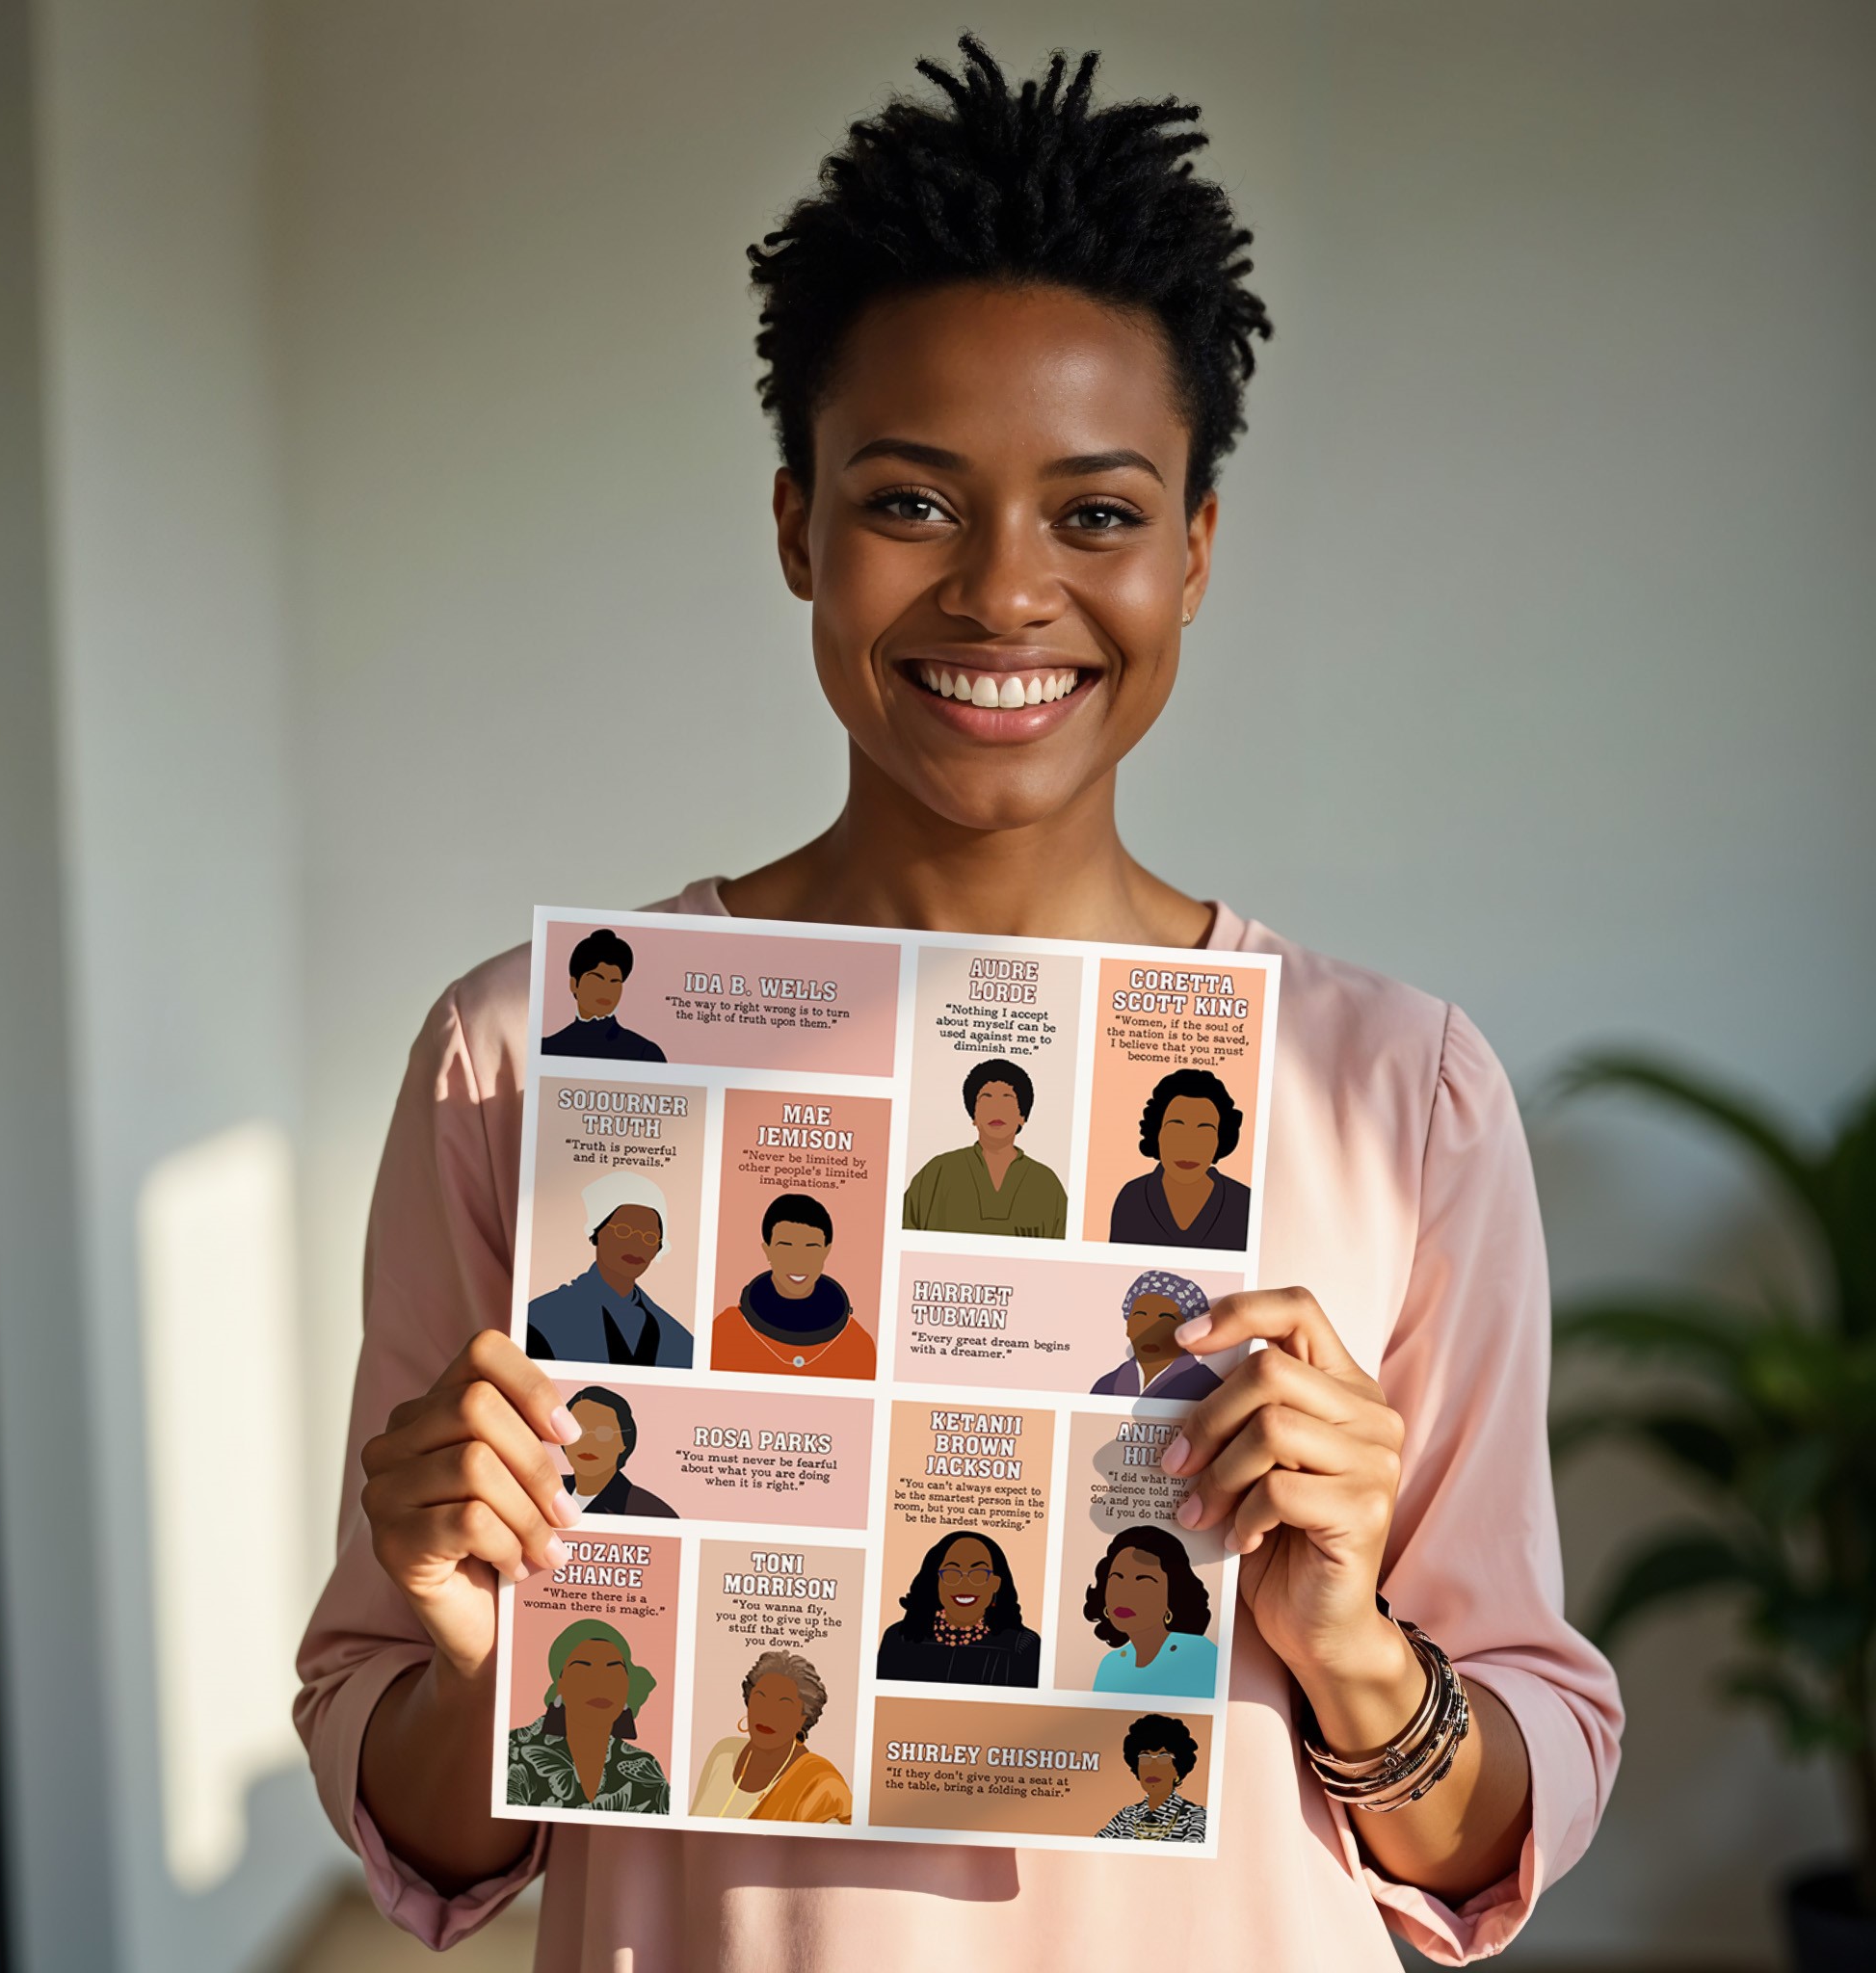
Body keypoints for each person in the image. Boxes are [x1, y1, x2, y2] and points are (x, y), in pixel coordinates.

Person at [298, 34, 1622, 1971]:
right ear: (794, 527)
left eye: (1095, 513)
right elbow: (418, 1811)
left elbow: (1504, 1808)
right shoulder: (526, 1065)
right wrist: (483, 1656)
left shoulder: (1390, 1091)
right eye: (912, 501)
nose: (1004, 593)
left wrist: (1349, 1645)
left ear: (1193, 550)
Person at [524, 1173, 693, 1368]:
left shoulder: (678, 1339)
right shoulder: (542, 1318)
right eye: (623, 1231)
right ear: (597, 1234)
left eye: (649, 1238)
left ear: (657, 1249)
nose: (636, 1245)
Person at [503, 1619, 670, 1814]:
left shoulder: (645, 1769)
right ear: (560, 1683)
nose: (600, 1683)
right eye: (583, 1668)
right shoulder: (511, 1749)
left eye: (613, 1670)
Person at [710, 1192, 876, 1378]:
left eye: (811, 1248)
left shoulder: (857, 1344)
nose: (798, 1261)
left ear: (826, 1251)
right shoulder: (725, 1332)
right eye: (786, 1247)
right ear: (767, 1251)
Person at [902, 1057, 1068, 1237]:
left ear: (1022, 1116)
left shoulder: (1046, 1183)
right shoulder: (937, 1173)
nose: (996, 1108)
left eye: (1007, 1099)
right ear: (973, 1115)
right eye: (986, 1098)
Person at [688, 1651, 853, 1824]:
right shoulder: (724, 1753)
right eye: (760, 1698)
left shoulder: (822, 1786)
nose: (767, 1713)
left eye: (784, 1705)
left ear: (804, 1717)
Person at [875, 1529, 1041, 1688]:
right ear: (936, 1581)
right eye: (952, 1573)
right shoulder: (899, 1638)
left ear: (995, 1583)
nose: (964, 1584)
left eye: (978, 1574)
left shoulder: (1021, 1646)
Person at [1107, 1068, 1251, 1250]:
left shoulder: (1244, 1203)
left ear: (1220, 1140)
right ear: (1157, 1133)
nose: (1188, 1146)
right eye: (1176, 1129)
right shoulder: (1132, 1198)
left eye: (1204, 1132)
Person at [1083, 1526, 1219, 1699]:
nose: (1125, 1593)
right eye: (1117, 1578)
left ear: (1172, 1594)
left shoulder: (1201, 1656)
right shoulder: (1110, 1666)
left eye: (1143, 1581)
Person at [1088, 1270, 1224, 1401]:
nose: (1150, 1331)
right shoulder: (1105, 1386)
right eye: (1140, 1317)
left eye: (1165, 1320)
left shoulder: (1208, 1385)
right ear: (1128, 1327)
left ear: (1187, 1329)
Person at [540, 929, 667, 1062]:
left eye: (614, 981)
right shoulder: (548, 1048)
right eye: (597, 979)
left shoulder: (645, 1053)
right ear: (574, 984)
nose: (606, 989)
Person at [559, 1386, 676, 1518]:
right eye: (580, 1430)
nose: (588, 1442)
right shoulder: (551, 1488)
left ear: (624, 1443)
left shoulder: (651, 1511)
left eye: (604, 1433)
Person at [1095, 1716, 1207, 1843]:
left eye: (1163, 1758)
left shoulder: (1196, 1818)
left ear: (1178, 1768)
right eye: (1145, 1758)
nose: (1152, 1767)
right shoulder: (1126, 1816)